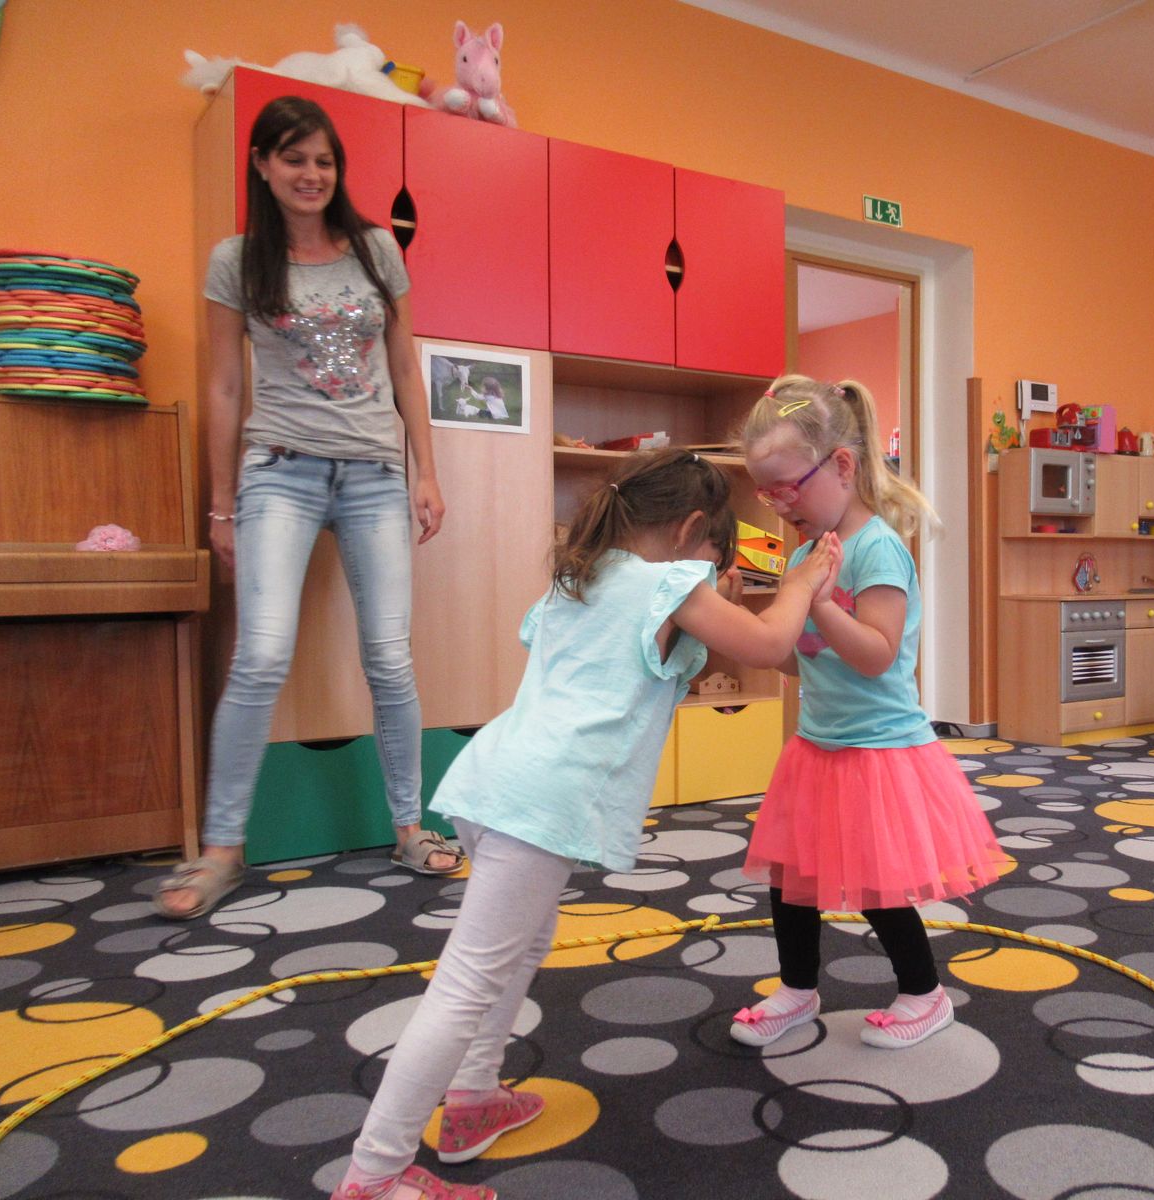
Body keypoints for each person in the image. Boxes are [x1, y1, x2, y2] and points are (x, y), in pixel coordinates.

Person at [331, 448, 842, 1200]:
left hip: (496, 782)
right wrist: (796, 584)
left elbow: (635, 668)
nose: (710, 573)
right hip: (543, 801)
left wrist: (707, 608)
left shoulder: (583, 575)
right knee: (467, 983)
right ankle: (374, 1173)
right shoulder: (669, 583)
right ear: (691, 530)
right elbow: (767, 646)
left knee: (520, 945)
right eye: (713, 556)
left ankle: (474, 1100)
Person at [156, 96, 456, 920]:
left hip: (372, 474)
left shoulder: (375, 248)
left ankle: (409, 827)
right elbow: (224, 386)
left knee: (389, 658)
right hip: (279, 470)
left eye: (324, 160)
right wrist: (221, 506)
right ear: (262, 164)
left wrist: (425, 472)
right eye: (293, 158)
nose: (311, 174)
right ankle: (222, 851)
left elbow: (405, 366)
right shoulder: (236, 260)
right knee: (259, 656)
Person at [729, 375, 1004, 1051]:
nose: (778, 504)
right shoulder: (804, 555)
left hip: (879, 750)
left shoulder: (877, 548)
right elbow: (798, 662)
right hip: (817, 745)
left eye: (787, 487)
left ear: (843, 466)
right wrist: (744, 619)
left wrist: (821, 603)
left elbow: (879, 654)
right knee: (791, 877)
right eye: (765, 492)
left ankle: (925, 995)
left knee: (880, 885)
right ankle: (797, 990)